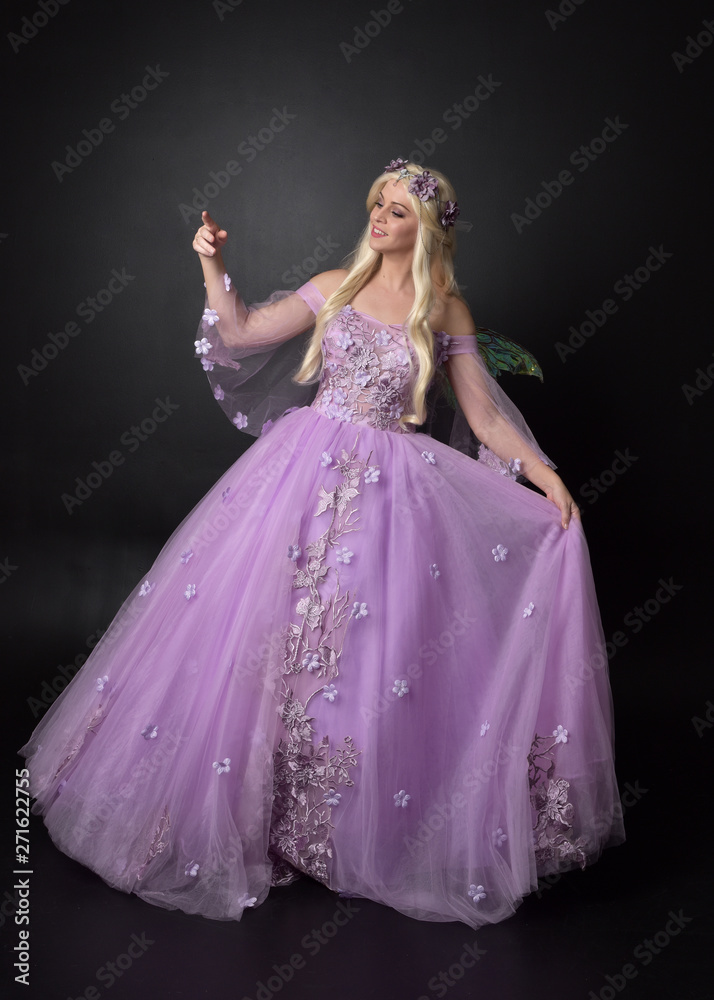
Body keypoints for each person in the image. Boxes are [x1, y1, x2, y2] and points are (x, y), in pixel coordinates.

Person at [19, 160, 624, 929]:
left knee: (369, 648)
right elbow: (241, 332)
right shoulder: (336, 283)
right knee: (267, 632)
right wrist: (213, 264)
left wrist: (543, 474)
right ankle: (253, 807)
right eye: (378, 203)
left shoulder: (445, 309)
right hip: (302, 474)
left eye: (397, 211)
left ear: (427, 229)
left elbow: (484, 415)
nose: (380, 217)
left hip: (393, 497)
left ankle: (340, 822)